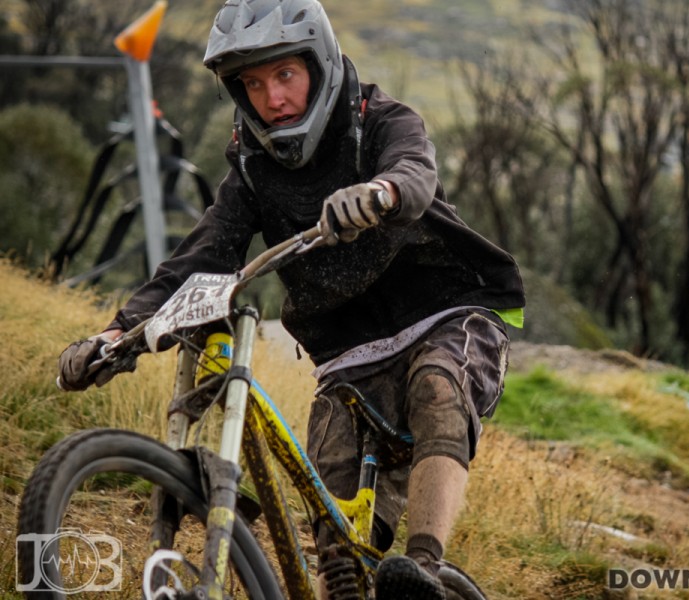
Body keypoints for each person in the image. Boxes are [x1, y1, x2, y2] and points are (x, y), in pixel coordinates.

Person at [57, 1, 525, 598]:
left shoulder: (379, 118)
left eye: (284, 74)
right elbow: (199, 258)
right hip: (350, 353)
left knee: (437, 383)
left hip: (449, 308)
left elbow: (414, 170)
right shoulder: (252, 169)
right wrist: (114, 335)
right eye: (252, 83)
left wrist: (379, 192)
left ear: (320, 63)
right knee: (326, 501)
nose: (271, 97)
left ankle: (426, 573)